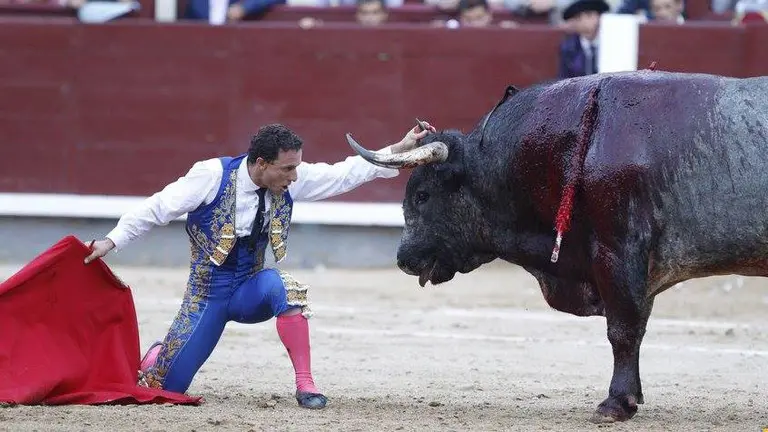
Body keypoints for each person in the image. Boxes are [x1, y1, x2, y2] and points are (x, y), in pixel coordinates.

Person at [83, 121, 435, 409]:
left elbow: (346, 173)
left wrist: (400, 148)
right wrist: (111, 241)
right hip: (207, 298)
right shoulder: (210, 177)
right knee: (166, 389)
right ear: (261, 164)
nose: (294, 176)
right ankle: (157, 356)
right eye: (288, 168)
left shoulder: (288, 179)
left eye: (296, 167)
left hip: (250, 291)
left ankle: (305, 384)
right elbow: (156, 208)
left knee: (285, 287)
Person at [557, 0, 609, 79]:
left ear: (599, 17)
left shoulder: (611, 44)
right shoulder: (567, 48)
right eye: (578, 18)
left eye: (589, 15)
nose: (584, 22)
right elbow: (564, 79)